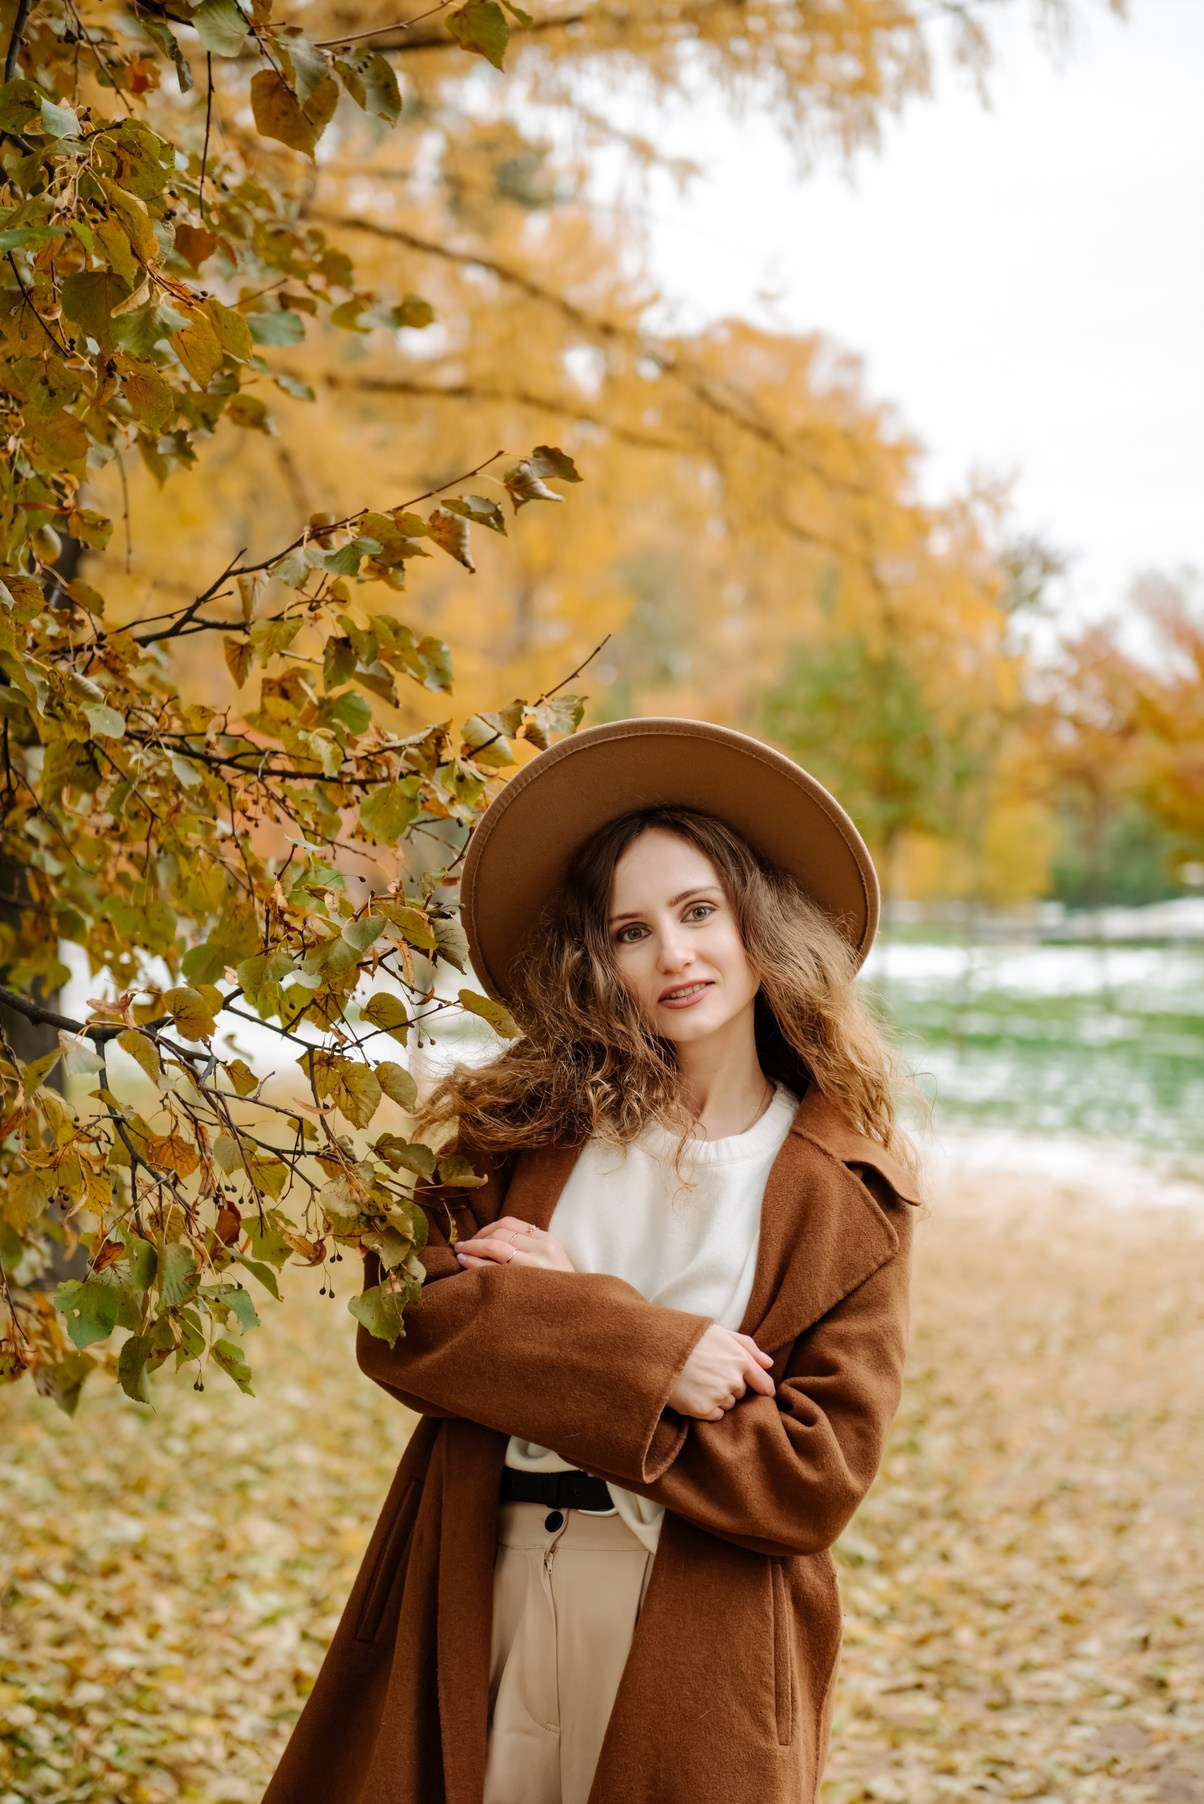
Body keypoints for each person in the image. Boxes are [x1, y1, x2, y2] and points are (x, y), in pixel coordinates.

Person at [261, 715, 923, 1804]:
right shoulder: (525, 1123)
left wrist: (553, 1318)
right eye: (630, 929)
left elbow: (809, 1477)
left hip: (692, 1624)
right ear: (593, 956)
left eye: (699, 910)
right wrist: (653, 1354)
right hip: (480, 1572)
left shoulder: (848, 1187)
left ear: (759, 922)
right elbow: (403, 1318)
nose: (673, 954)